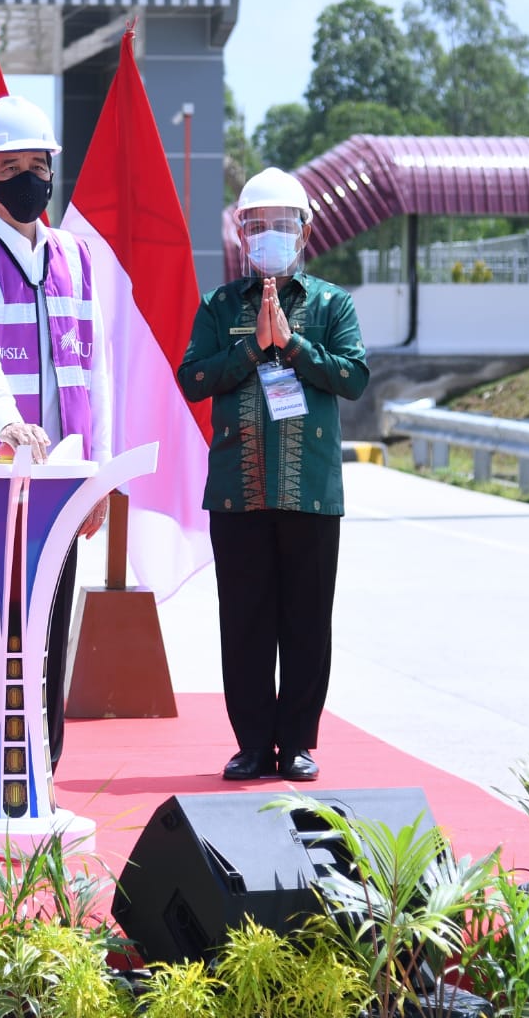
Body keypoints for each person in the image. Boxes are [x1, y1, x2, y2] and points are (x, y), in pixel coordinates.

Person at [0, 94, 112, 818]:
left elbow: (94, 370)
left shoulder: (77, 257)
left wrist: (94, 473)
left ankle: (38, 777)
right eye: (14, 168)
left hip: (60, 484)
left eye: (40, 166)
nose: (31, 180)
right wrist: (10, 425)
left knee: (45, 631)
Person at [177, 166, 369, 783]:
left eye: (282, 225)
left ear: (306, 230)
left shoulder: (333, 304)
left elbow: (354, 378)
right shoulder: (218, 305)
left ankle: (301, 742)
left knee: (308, 622)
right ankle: (254, 744)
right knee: (245, 622)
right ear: (240, 231)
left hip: (310, 490)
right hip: (238, 491)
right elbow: (192, 378)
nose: (270, 237)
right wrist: (252, 350)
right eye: (258, 226)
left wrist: (292, 347)